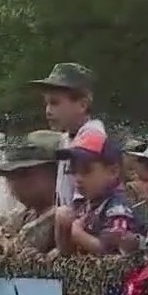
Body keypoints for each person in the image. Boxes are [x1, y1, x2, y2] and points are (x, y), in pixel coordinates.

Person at [0, 130, 62, 270]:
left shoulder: (70, 216)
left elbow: (21, 247)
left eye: (24, 174)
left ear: (57, 172)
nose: (14, 183)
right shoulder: (20, 216)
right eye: (9, 175)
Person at [27, 62, 106, 208]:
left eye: (55, 103)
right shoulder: (67, 138)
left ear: (82, 105)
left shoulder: (92, 136)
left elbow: (81, 204)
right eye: (46, 104)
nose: (48, 111)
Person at [54, 129, 142, 256]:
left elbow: (113, 255)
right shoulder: (87, 206)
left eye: (86, 170)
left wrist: (78, 234)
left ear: (113, 172)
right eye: (73, 170)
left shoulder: (118, 210)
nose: (78, 178)